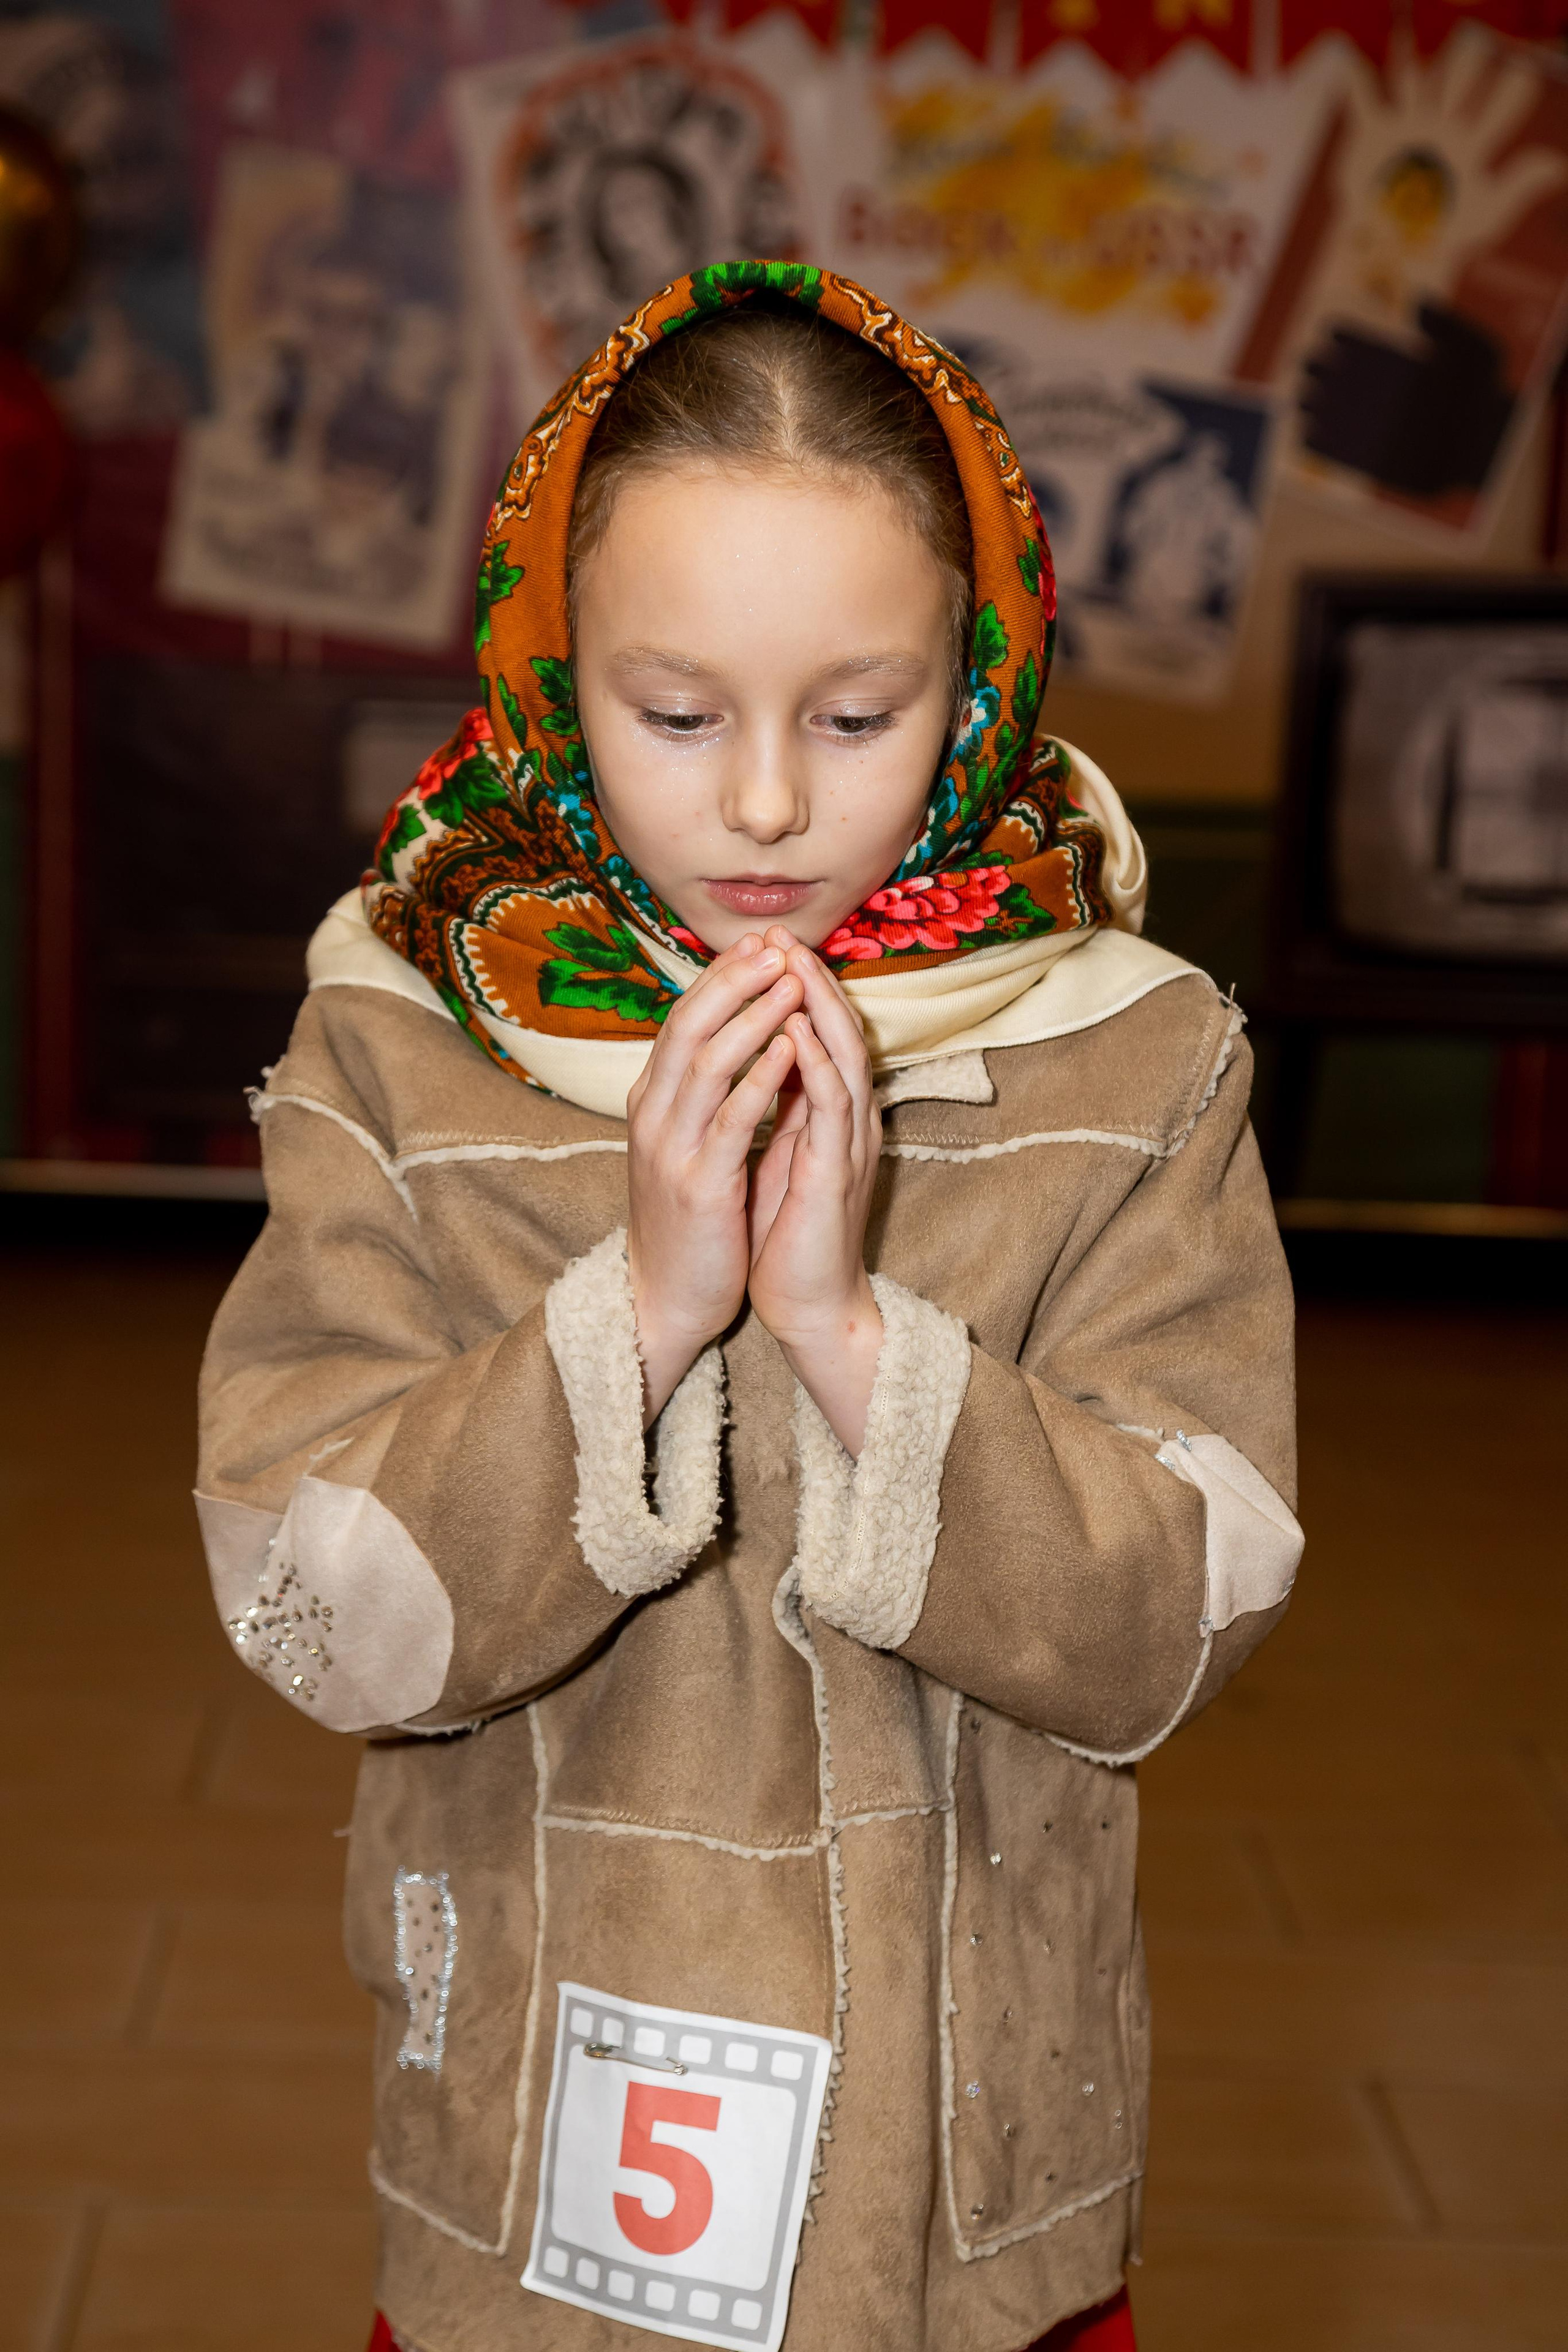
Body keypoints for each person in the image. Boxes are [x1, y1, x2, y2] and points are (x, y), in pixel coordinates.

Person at [197, 262, 1301, 2352]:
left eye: (861, 714)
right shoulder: (401, 1034)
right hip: (538, 2156)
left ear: (979, 678)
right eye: (677, 715)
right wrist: (639, 1308)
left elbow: (1189, 1616)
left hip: (971, 2194)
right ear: (551, 667)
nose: (772, 806)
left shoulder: (1130, 1056)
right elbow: (304, 1605)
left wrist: (856, 1342)